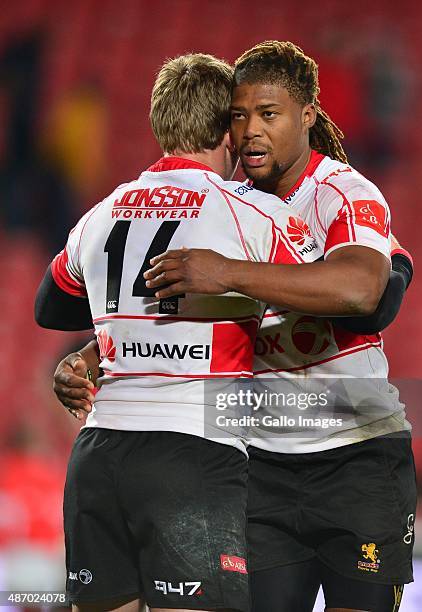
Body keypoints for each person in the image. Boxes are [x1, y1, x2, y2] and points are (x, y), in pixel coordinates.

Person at [50, 43, 415, 612]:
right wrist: (97, 355)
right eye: (239, 116)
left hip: (355, 454)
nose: (250, 131)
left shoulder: (342, 192)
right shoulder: (227, 206)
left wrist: (222, 271)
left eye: (268, 115)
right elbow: (189, 312)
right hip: (261, 462)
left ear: (308, 118)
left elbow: (365, 291)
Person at [35, 52, 309, 612]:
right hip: (192, 453)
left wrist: (119, 325)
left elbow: (49, 306)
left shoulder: (102, 211)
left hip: (98, 455)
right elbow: (329, 296)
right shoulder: (250, 214)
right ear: (227, 132)